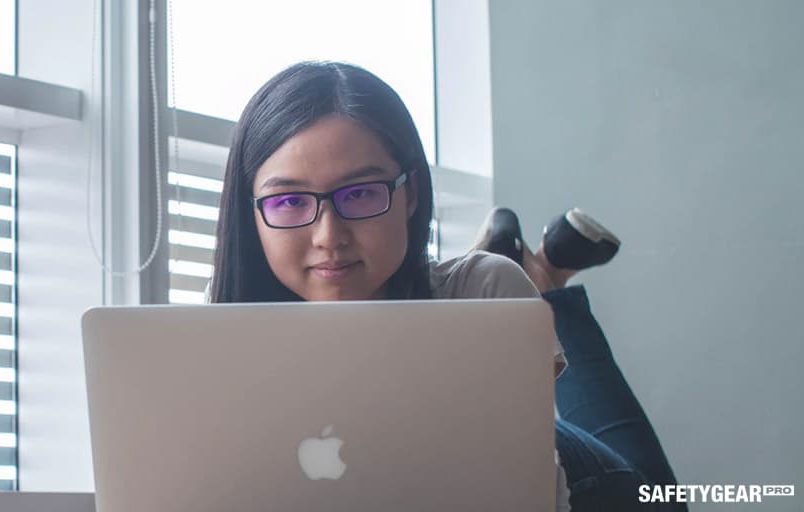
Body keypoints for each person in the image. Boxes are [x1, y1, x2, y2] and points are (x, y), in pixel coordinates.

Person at [207, 60, 683, 511]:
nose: (329, 236)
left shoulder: (485, 291)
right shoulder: (206, 338)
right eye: (289, 200)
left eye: (360, 193)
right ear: (252, 215)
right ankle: (546, 276)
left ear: (410, 193)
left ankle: (539, 279)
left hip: (590, 486)